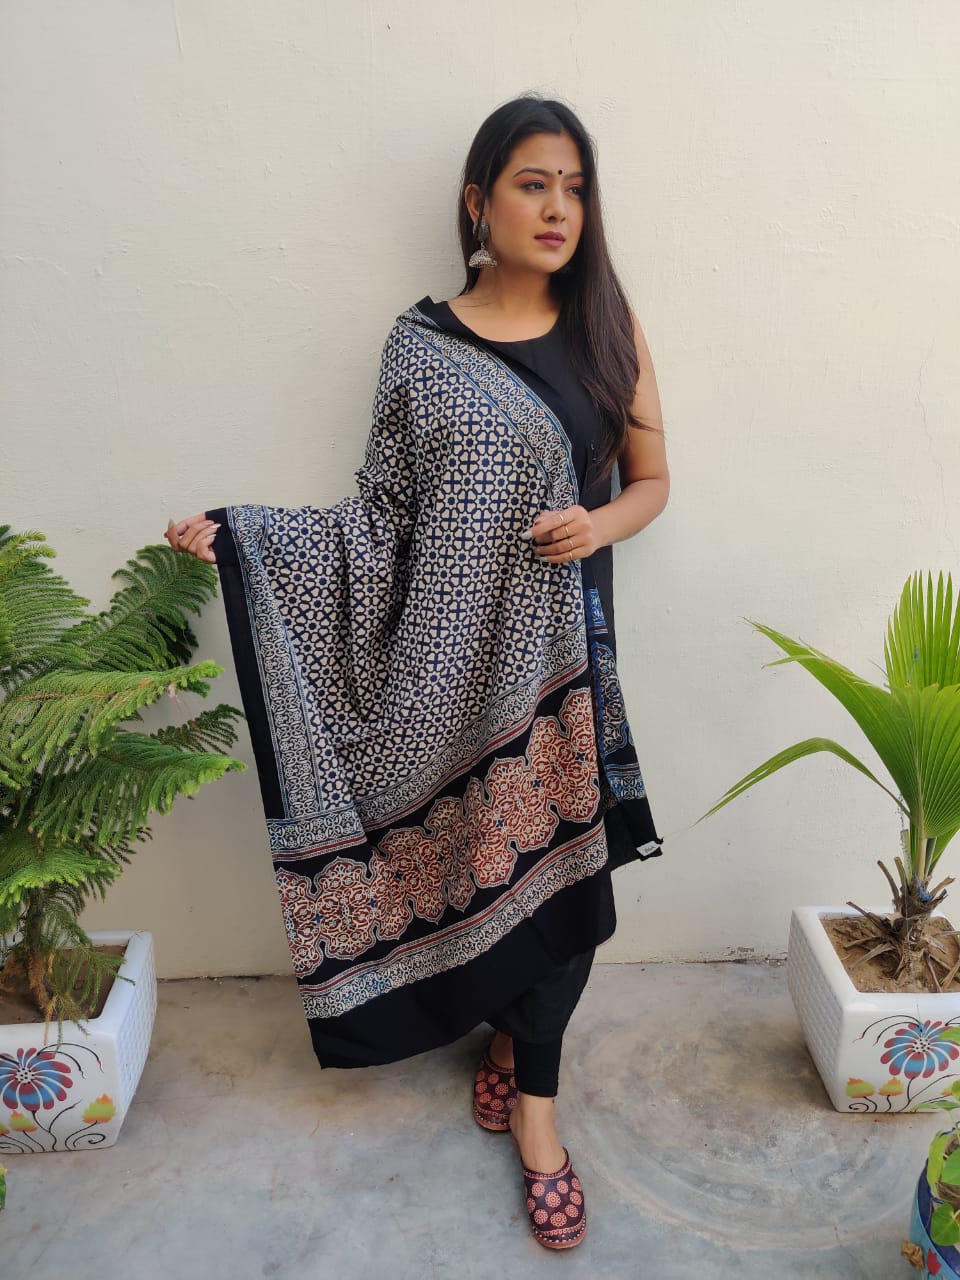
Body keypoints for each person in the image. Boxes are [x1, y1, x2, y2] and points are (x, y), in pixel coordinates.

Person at [167, 95, 668, 1251]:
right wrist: (245, 537)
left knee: (574, 893)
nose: (558, 207)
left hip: (564, 661)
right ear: (478, 200)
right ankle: (509, 1046)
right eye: (534, 182)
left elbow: (653, 479)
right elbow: (380, 522)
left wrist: (600, 525)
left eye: (576, 186)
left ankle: (535, 1107)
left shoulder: (608, 328)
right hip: (446, 666)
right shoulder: (421, 346)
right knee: (480, 857)